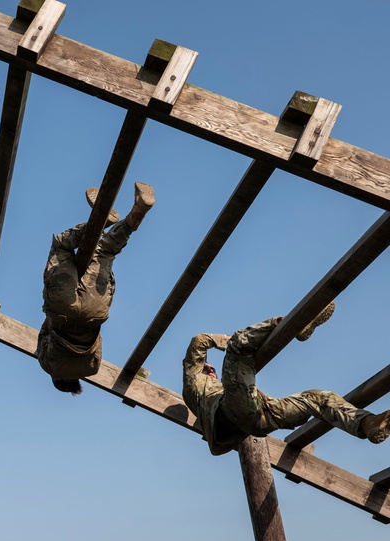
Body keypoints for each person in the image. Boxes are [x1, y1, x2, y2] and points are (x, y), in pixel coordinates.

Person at [182, 304, 390, 455]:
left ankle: (367, 424)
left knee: (317, 398)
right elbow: (200, 340)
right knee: (238, 346)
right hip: (234, 413)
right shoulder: (193, 385)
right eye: (207, 368)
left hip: (261, 419)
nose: (212, 371)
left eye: (213, 369)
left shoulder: (217, 390)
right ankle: (291, 324)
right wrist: (227, 341)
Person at [36, 182, 155, 394]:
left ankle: (135, 216)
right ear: (56, 378)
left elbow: (97, 340)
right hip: (61, 309)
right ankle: (97, 222)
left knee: (106, 252)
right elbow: (45, 330)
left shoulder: (92, 368)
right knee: (61, 246)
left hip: (94, 312)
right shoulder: (47, 366)